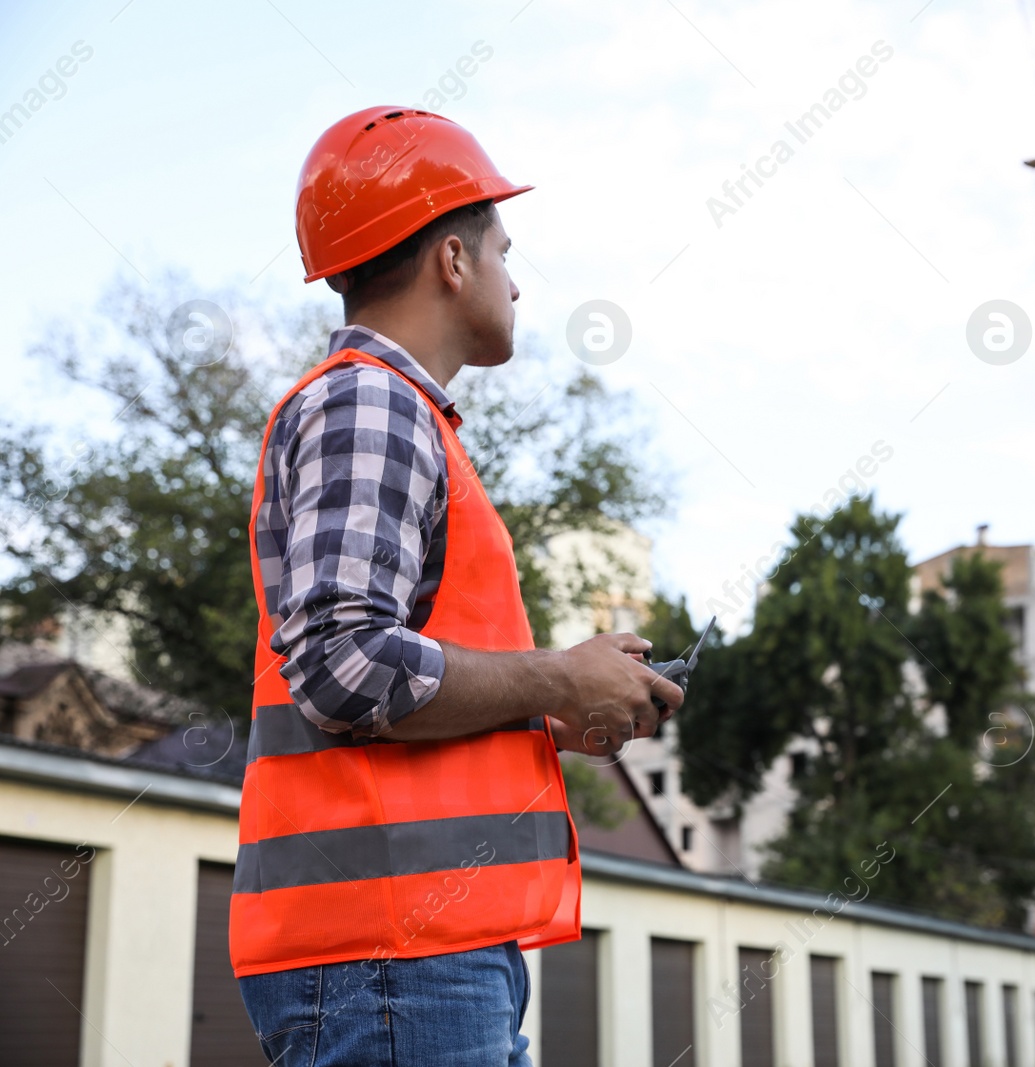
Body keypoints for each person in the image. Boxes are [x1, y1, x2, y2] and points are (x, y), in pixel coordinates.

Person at [230, 106, 682, 1066]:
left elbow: (380, 676)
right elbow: (345, 666)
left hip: (413, 954)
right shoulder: (371, 402)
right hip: (391, 957)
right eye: (504, 251)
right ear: (452, 259)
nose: (516, 281)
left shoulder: (399, 416)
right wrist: (556, 679)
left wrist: (556, 713)